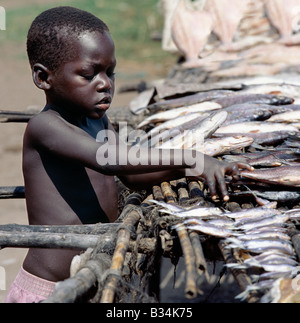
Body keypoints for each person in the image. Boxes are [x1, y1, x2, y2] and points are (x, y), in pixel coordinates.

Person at [5, 6, 252, 303]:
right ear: (44, 78)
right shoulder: (45, 127)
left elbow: (131, 174)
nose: (105, 84)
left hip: (93, 274)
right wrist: (192, 159)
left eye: (110, 72)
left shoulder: (97, 120)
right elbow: (109, 160)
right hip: (48, 289)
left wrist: (190, 170)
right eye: (88, 74)